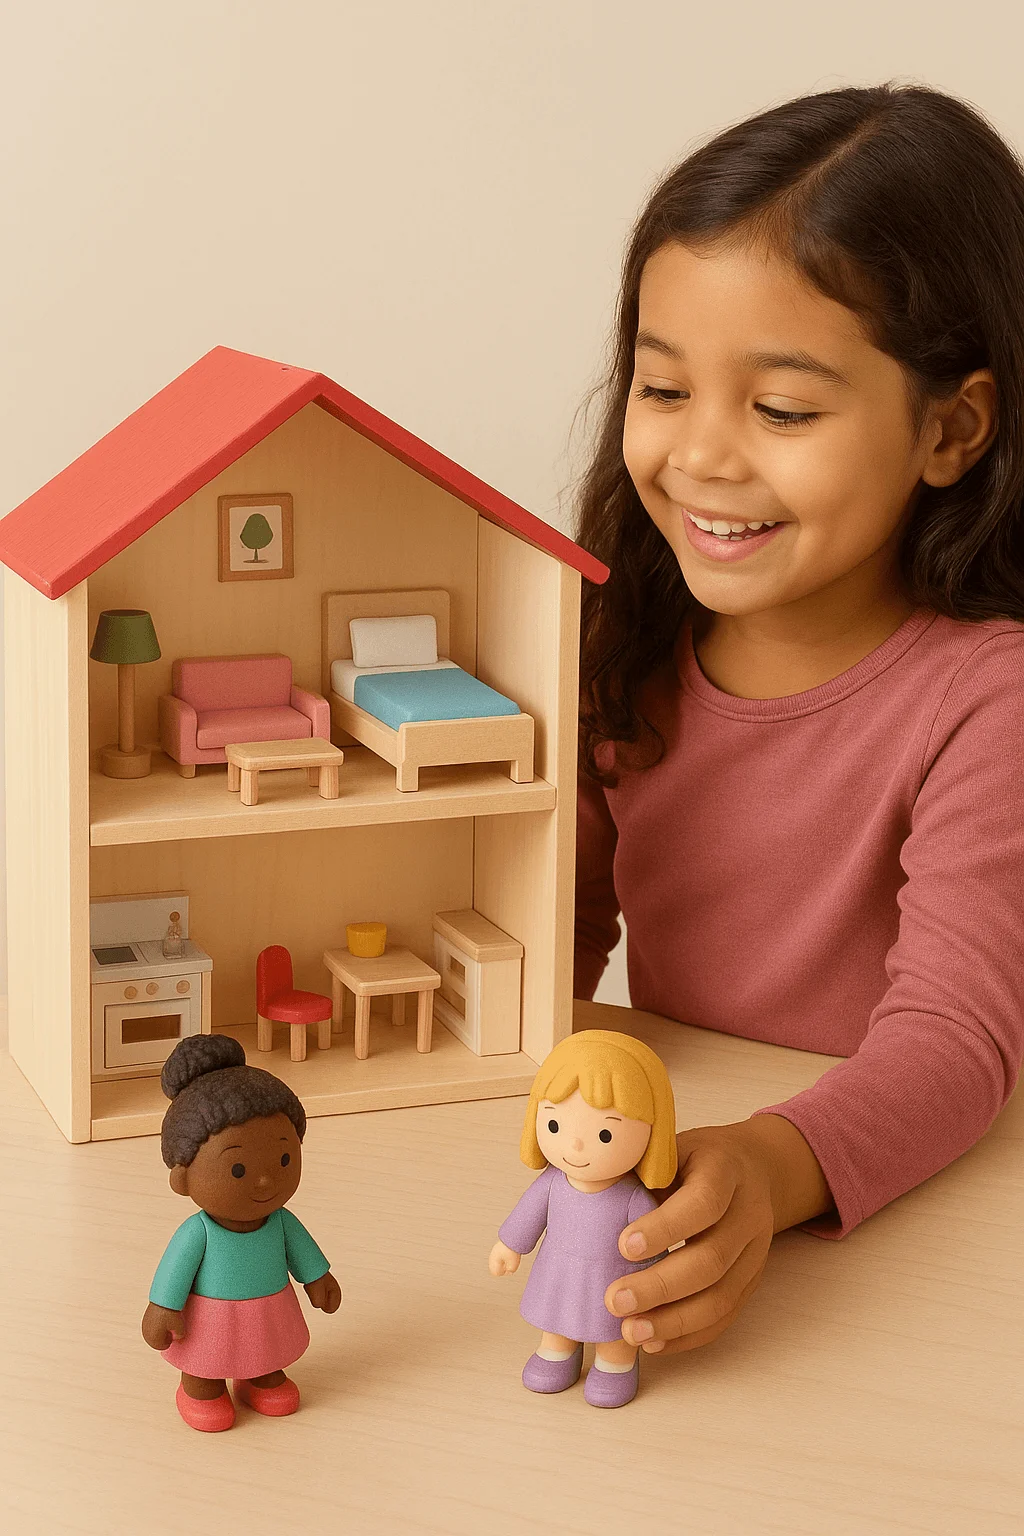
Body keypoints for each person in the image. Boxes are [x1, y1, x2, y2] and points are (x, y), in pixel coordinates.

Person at [573, 83, 1024, 1362]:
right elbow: (547, 930)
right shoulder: (619, 639)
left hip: (904, 1223)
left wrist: (773, 1171)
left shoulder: (986, 696)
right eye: (663, 388)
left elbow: (956, 1041)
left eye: (780, 410)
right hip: (661, 1164)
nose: (704, 456)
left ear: (950, 427)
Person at [142, 1035, 342, 1431]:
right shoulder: (197, 1232)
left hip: (268, 1309)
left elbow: (300, 1250)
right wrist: (162, 1307)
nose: (266, 1180)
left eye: (284, 1158)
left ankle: (260, 1377)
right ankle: (200, 1388)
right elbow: (174, 1271)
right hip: (209, 1318)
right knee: (207, 1357)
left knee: (265, 1347)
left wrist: (318, 1277)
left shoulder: (281, 1221)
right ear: (183, 1176)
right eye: (238, 1169)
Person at [489, 1031, 677, 1408]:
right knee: (558, 1313)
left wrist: (659, 1283)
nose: (575, 1146)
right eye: (555, 1125)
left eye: (605, 1132)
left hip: (615, 1277)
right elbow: (529, 1216)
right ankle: (557, 1352)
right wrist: (509, 1245)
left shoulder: (633, 1197)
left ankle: (616, 1363)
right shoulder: (552, 1184)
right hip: (560, 1271)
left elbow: (653, 1241)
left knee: (614, 1323)